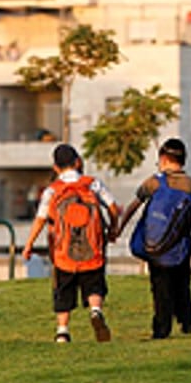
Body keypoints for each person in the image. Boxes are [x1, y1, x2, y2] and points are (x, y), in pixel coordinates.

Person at [23, 143, 120, 343]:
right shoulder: (92, 184)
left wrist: (29, 245)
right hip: (92, 249)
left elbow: (40, 219)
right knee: (94, 284)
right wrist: (113, 228)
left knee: (63, 289)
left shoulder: (52, 191)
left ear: (55, 167)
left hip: (63, 252)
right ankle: (95, 310)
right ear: (78, 162)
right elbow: (113, 207)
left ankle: (62, 331)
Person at [117, 138, 191, 339]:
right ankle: (187, 320)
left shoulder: (153, 182)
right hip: (180, 244)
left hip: (156, 246)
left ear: (163, 159)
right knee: (182, 283)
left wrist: (119, 228)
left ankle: (162, 328)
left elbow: (133, 206)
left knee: (160, 286)